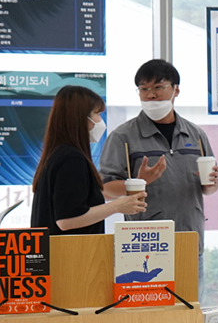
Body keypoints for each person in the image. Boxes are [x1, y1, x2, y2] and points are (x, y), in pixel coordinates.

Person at [99, 60, 218, 297]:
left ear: (176, 90)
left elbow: (207, 189)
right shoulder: (122, 136)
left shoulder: (195, 135)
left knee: (190, 316)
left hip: (189, 241)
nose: (151, 95)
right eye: (144, 89)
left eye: (158, 87)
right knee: (146, 318)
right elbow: (104, 189)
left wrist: (212, 183)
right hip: (144, 245)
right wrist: (138, 182)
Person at [31, 85, 145, 235]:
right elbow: (67, 219)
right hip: (70, 254)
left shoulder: (57, 154)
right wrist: (117, 206)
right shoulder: (72, 159)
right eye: (97, 114)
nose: (100, 121)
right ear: (81, 118)